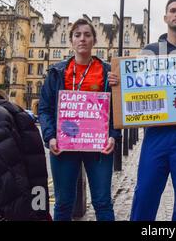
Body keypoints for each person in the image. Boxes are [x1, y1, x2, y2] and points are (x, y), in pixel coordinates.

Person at [109, 0, 176, 221]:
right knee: (145, 192)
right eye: (173, 10)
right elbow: (134, 87)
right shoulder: (150, 51)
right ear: (165, 17)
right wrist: (119, 82)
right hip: (156, 133)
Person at [39, 18, 121, 221]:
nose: (82, 39)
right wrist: (50, 137)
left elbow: (118, 109)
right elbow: (45, 108)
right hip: (64, 145)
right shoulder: (56, 72)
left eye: (87, 35)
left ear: (94, 40)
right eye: (77, 35)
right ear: (71, 41)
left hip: (99, 146)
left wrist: (113, 135)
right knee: (63, 203)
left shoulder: (108, 72)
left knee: (102, 202)